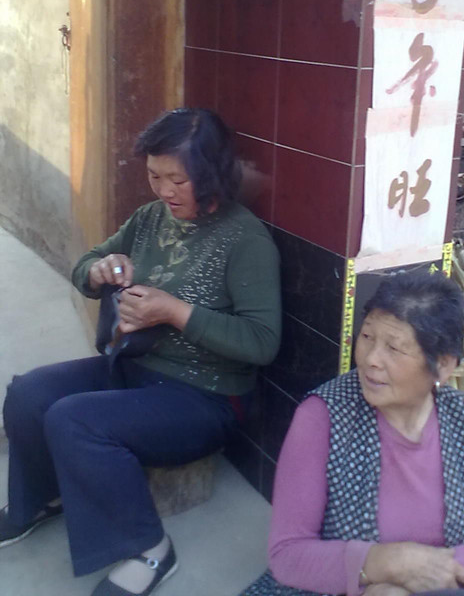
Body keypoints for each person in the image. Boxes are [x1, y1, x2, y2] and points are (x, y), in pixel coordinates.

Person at [1, 108, 282, 596]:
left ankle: (150, 549)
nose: (164, 190)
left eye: (178, 179)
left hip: (206, 397)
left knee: (75, 421)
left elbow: (262, 342)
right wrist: (99, 270)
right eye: (155, 176)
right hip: (135, 368)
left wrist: (174, 311)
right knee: (29, 393)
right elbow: (87, 264)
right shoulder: (150, 218)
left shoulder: (246, 240)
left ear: (212, 172)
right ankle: (44, 498)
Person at [240, 271, 464, 596]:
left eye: (393, 348)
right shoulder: (323, 418)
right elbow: (288, 555)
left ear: (443, 365)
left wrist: (425, 577)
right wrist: (382, 564)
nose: (371, 360)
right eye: (367, 337)